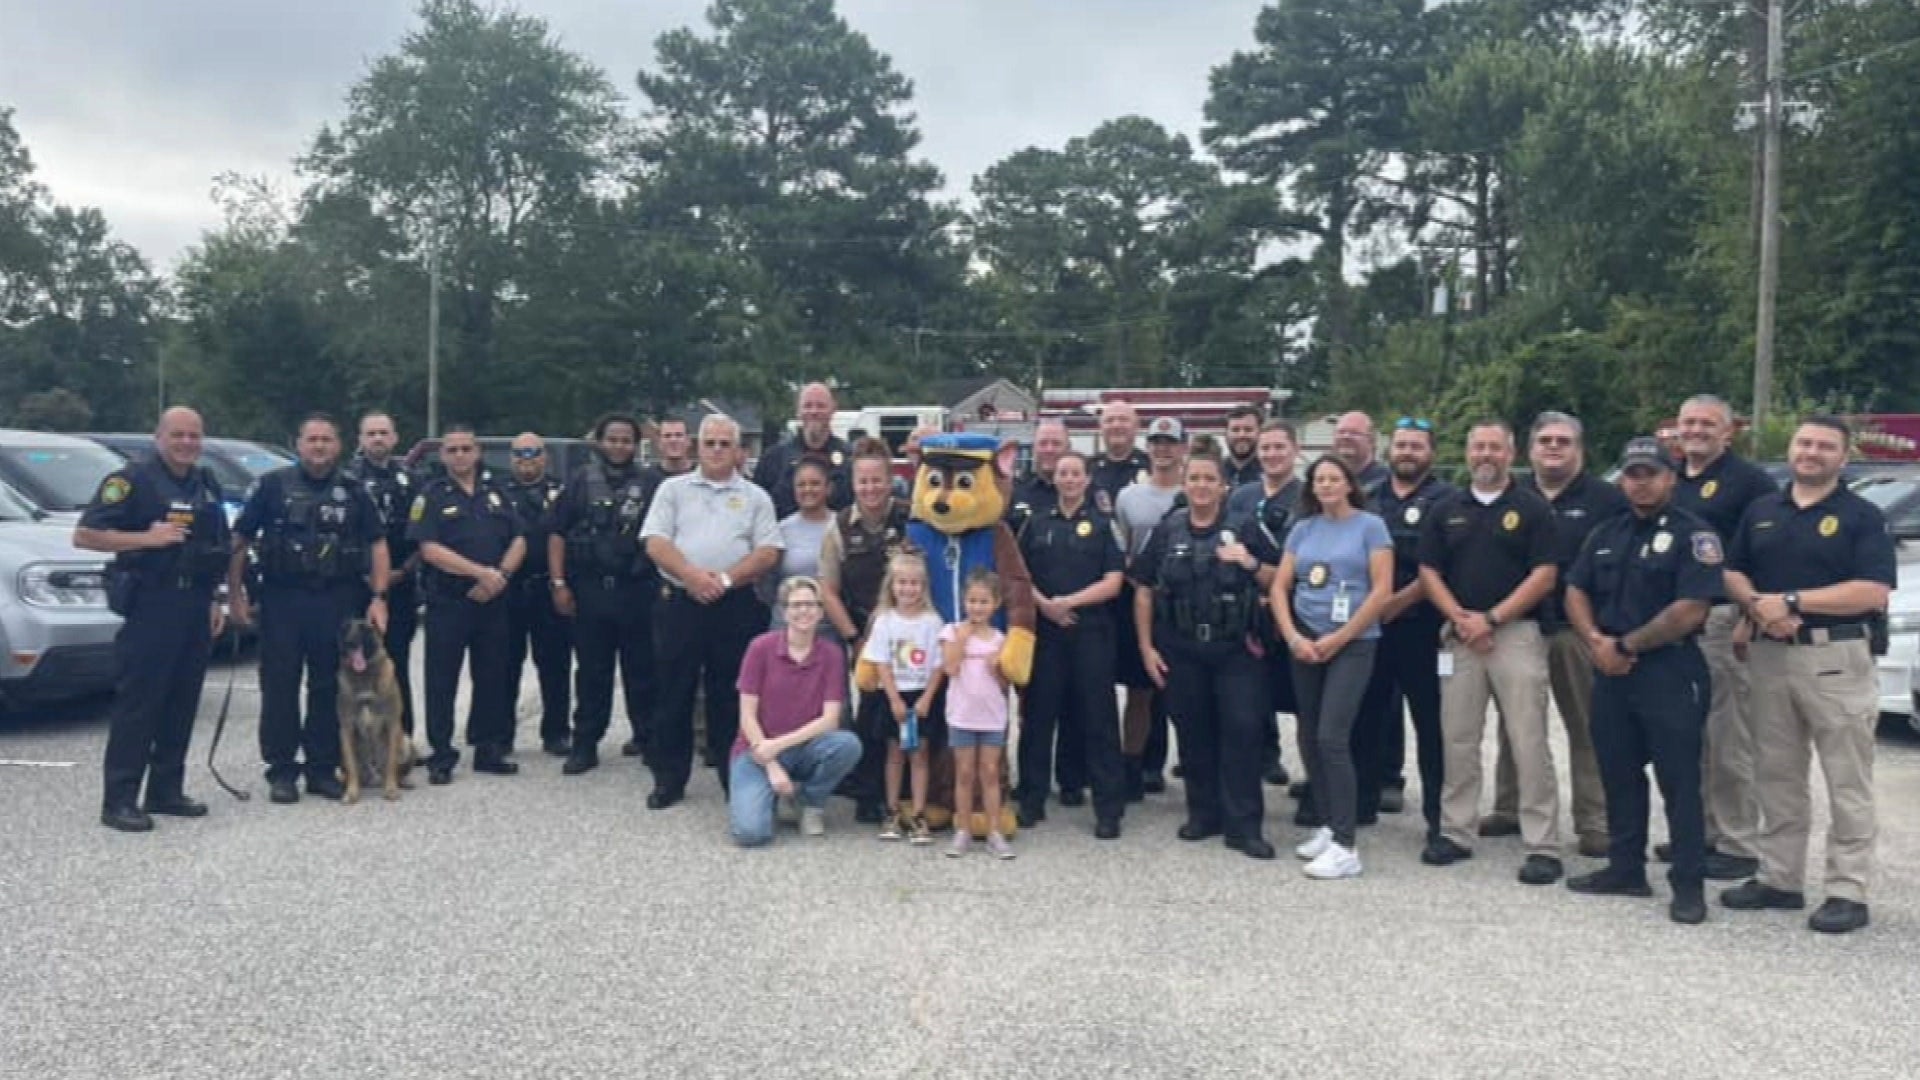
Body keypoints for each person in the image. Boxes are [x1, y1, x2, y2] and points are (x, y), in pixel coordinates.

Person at [1723, 416, 1896, 935]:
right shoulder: (1762, 510)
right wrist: (1758, 607)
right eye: (1804, 443)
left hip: (1835, 658)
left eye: (1825, 446)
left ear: (1843, 459)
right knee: (1776, 775)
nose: (1812, 452)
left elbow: (1873, 590)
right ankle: (1780, 878)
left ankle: (1847, 889)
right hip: (1770, 655)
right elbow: (1733, 570)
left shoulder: (1860, 515)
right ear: (1791, 449)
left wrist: (1792, 601)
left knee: (1846, 779)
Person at [1562, 437, 1722, 925]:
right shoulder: (1607, 532)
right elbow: (1575, 588)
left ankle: (1688, 884)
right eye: (1632, 473)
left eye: (1651, 472)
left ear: (1671, 478)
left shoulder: (1696, 535)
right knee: (1618, 773)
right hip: (1610, 667)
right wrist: (1595, 640)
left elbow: (1690, 607)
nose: (1640, 481)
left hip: (1668, 669)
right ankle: (1625, 868)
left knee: (1679, 780)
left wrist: (1627, 646)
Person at [1418, 420, 1564, 885]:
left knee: (1528, 740)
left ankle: (1543, 844)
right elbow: (1428, 572)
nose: (1486, 455)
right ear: (1466, 453)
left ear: (1510, 452)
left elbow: (1544, 575)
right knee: (1458, 738)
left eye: (1494, 447)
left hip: (1515, 634)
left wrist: (1493, 619)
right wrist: (1462, 620)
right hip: (1459, 634)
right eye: (1478, 446)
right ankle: (1457, 831)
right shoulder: (1445, 508)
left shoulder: (1532, 508)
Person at [76, 406, 232, 832]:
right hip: (151, 603)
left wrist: (217, 598)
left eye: (194, 436)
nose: (187, 443)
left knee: (181, 702)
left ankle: (165, 791)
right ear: (158, 437)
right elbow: (86, 534)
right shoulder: (130, 481)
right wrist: (146, 538)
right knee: (140, 704)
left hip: (194, 603)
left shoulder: (206, 481)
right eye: (178, 435)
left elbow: (215, 543)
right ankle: (120, 799)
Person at [1483, 412, 1625, 856]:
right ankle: (1510, 806)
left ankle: (1595, 821)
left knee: (1587, 726)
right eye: (1545, 440)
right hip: (1518, 625)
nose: (1553, 448)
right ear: (1529, 449)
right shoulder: (1512, 493)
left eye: (1563, 441)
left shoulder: (1607, 500)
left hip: (1575, 630)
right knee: (1514, 724)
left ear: (1580, 449)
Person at [230, 414, 390, 804]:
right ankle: (282, 771)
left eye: (327, 440)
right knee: (280, 685)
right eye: (312, 439)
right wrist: (233, 593)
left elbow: (378, 544)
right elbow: (240, 539)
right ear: (298, 444)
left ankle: (322, 768)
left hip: (336, 599)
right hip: (283, 598)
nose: (319, 446)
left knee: (327, 686)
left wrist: (379, 597)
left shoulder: (353, 490)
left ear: (338, 446)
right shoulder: (271, 486)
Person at [1132, 438, 1274, 859]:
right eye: (1194, 477)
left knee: (1242, 732)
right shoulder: (1169, 526)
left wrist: (1249, 562)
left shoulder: (1245, 526)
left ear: (1223, 486)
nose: (1201, 485)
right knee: (1193, 733)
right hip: (1182, 648)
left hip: (1236, 650)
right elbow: (1143, 589)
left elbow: (1279, 576)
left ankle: (1244, 826)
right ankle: (1203, 814)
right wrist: (1145, 648)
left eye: (1209, 479)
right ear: (1184, 481)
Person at [641, 413, 782, 808]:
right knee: (673, 691)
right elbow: (654, 541)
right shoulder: (672, 490)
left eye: (725, 443)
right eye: (710, 442)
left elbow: (768, 551)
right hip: (680, 603)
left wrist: (722, 581)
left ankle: (732, 776)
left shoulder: (756, 497)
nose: (717, 450)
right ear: (695, 446)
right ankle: (669, 778)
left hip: (734, 604)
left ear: (739, 450)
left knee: (731, 695)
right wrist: (691, 576)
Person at [1270, 455, 1393, 879]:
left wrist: (1339, 639)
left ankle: (1346, 844)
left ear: (1348, 484)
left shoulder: (1370, 527)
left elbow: (1381, 592)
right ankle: (1326, 823)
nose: (1325, 485)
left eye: (1333, 478)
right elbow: (1281, 586)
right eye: (1319, 479)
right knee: (1308, 732)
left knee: (1332, 737)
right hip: (1305, 640)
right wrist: (1293, 637)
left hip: (1352, 642)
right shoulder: (1303, 529)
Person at [1670, 393, 1776, 880]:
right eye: (1688, 422)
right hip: (1673, 621)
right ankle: (1700, 834)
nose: (1695, 430)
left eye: (1707, 423)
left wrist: (1747, 614)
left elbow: (1763, 552)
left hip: (1721, 618)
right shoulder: (1672, 479)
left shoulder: (1749, 482)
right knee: (1687, 736)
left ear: (1728, 430)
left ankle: (1737, 842)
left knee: (1729, 736)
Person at [1016, 450, 1127, 838]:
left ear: (1086, 479)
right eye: (1062, 473)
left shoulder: (1102, 524)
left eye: (1075, 473)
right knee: (1038, 718)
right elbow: (1019, 573)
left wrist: (1069, 603)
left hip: (1091, 632)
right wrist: (1045, 605)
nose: (1068, 479)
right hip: (1047, 634)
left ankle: (1108, 809)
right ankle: (1030, 800)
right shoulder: (1036, 522)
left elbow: (1115, 581)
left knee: (1099, 721)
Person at [1355, 417, 1454, 837]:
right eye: (1401, 445)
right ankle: (1359, 805)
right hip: (1374, 626)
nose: (1407, 452)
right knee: (1366, 716)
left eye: (1416, 446)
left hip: (1424, 628)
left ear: (1431, 452)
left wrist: (1399, 601)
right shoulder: (1369, 497)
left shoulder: (1448, 500)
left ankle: (1439, 819)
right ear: (1388, 450)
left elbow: (1447, 563)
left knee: (1432, 723)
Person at [409, 426, 525, 785]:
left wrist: (500, 576)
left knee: (492, 676)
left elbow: (520, 538)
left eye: (466, 449)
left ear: (477, 453)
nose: (459, 455)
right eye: (452, 450)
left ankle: (488, 749)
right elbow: (428, 549)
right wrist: (480, 574)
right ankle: (441, 755)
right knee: (441, 680)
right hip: (449, 600)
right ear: (443, 456)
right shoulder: (430, 496)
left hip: (493, 600)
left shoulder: (496, 492)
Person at [550, 414, 659, 774]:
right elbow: (557, 534)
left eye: (626, 440)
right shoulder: (579, 481)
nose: (619, 446)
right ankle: (585, 744)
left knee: (641, 672)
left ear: (636, 444)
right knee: (592, 673)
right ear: (599, 441)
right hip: (591, 592)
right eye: (612, 439)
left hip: (637, 591)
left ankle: (647, 738)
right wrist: (559, 584)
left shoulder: (651, 483)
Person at [729, 576, 862, 847]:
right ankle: (773, 797)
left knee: (847, 745)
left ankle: (809, 802)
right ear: (784, 611)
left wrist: (778, 745)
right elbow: (746, 716)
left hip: (804, 747)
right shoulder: (760, 648)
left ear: (821, 611)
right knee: (751, 834)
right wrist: (772, 764)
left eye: (811, 605)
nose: (804, 611)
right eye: (796, 605)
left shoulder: (832, 654)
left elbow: (830, 720)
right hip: (756, 750)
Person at [819, 439, 912, 822]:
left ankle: (910, 790)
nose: (871, 488)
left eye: (878, 480)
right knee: (871, 713)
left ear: (890, 481)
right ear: (853, 484)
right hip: (863, 634)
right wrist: (854, 640)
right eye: (863, 481)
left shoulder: (911, 518)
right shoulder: (839, 527)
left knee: (910, 707)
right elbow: (827, 590)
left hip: (909, 633)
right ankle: (869, 791)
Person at [1114, 416, 1187, 795]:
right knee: (1141, 690)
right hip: (1139, 597)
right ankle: (1133, 767)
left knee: (1186, 690)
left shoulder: (1194, 492)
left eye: (1170, 442)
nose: (1163, 449)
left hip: (1183, 603)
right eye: (1156, 442)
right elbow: (1122, 549)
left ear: (1182, 449)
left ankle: (1190, 763)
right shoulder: (1129, 497)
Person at [1230, 419, 1301, 791]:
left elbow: (1304, 567)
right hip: (1246, 614)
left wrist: (1260, 574)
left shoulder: (1308, 498)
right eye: (1266, 448)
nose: (1272, 454)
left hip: (1293, 613)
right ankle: (1252, 768)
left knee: (1302, 701)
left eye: (1279, 447)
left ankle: (1313, 783)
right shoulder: (1242, 496)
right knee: (1248, 698)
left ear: (1295, 451)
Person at [860, 551, 946, 843]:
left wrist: (927, 699)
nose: (908, 589)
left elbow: (938, 664)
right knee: (894, 755)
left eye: (914, 583)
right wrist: (895, 699)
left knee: (919, 754)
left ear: (924, 587)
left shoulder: (933, 622)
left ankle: (919, 813)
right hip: (893, 696)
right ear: (891, 585)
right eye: (902, 582)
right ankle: (892, 810)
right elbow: (881, 662)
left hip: (922, 697)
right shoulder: (884, 621)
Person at [350, 411, 422, 743]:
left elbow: (424, 533)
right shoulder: (346, 480)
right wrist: (369, 574)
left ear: (395, 438)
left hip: (401, 583)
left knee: (397, 661)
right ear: (361, 439)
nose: (378, 439)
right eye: (371, 433)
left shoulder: (412, 479)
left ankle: (402, 737)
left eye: (384, 433)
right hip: (357, 585)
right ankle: (354, 740)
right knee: (354, 662)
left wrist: (404, 570)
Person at [502, 433, 572, 757]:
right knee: (503, 664)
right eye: (518, 453)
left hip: (548, 587)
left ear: (545, 457)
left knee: (555, 664)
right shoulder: (497, 492)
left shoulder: (562, 491)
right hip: (509, 589)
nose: (525, 458)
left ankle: (556, 732)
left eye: (532, 452)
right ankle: (500, 735)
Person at [943, 570, 1015, 859]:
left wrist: (997, 667)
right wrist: (962, 639)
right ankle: (963, 829)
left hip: (991, 715)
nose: (977, 607)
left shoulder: (1001, 639)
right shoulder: (951, 632)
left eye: (984, 601)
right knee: (964, 773)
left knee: (989, 773)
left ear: (995, 604)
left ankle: (994, 831)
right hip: (961, 714)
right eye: (972, 601)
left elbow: (1006, 683)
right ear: (964, 601)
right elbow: (949, 668)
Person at [752, 382, 852, 518]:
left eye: (820, 406)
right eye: (808, 406)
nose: (814, 411)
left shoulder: (850, 459)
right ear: (798, 411)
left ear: (833, 409)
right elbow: (757, 509)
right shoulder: (773, 459)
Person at [765, 457, 837, 634]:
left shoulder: (842, 526)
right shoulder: (781, 529)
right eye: (801, 485)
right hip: (785, 628)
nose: (808, 489)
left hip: (828, 629)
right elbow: (767, 583)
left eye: (815, 484)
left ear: (828, 488)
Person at [1009, 418, 1068, 533]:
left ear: (1068, 448)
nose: (1049, 449)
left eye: (1056, 443)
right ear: (1033, 448)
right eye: (1043, 443)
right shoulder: (1014, 491)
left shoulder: (1084, 492)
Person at [1333, 411, 1389, 493]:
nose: (1346, 436)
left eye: (1354, 433)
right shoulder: (1324, 482)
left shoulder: (1388, 483)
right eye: (1341, 432)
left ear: (1371, 440)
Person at [1221, 404, 1265, 488]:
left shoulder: (1270, 474)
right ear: (1225, 434)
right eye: (1235, 430)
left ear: (1260, 433)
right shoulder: (1216, 471)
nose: (1241, 435)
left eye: (1248, 429)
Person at [647, 415, 694, 481]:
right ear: (659, 442)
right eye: (667, 436)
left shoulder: (703, 476)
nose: (673, 440)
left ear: (688, 440)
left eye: (679, 435)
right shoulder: (647, 478)